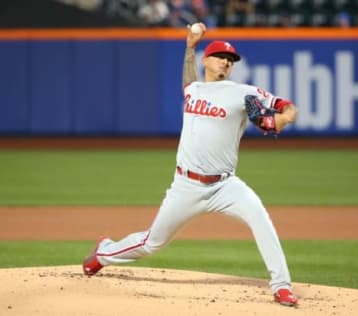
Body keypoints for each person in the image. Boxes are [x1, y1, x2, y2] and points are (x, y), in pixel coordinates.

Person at [82, 22, 299, 307]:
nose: (226, 62)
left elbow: (287, 109)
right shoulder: (194, 90)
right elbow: (188, 83)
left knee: (261, 220)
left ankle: (281, 286)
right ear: (206, 60)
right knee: (152, 243)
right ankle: (103, 253)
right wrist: (189, 47)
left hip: (225, 185)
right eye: (221, 56)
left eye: (231, 59)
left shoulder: (243, 92)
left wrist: (280, 120)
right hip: (186, 185)